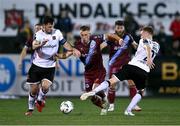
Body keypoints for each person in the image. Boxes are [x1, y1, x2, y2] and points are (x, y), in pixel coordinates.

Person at [80, 26, 160, 116]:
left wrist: (149, 58)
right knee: (140, 91)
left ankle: (94, 91)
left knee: (112, 81)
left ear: (147, 33)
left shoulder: (143, 40)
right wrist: (149, 59)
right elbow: (148, 48)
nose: (140, 35)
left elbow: (147, 46)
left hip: (131, 66)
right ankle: (128, 110)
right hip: (143, 71)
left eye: (142, 33)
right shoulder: (157, 45)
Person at [25, 16, 80, 116]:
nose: (51, 29)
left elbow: (65, 43)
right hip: (37, 65)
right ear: (44, 26)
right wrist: (41, 44)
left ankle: (40, 100)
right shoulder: (39, 34)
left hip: (50, 66)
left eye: (52, 26)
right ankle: (30, 109)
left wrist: (73, 49)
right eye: (49, 27)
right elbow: (33, 46)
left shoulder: (57, 33)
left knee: (45, 87)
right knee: (33, 90)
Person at [75, 25, 123, 115]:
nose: (84, 37)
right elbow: (72, 52)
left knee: (95, 88)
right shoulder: (77, 44)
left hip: (99, 71)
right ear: (80, 35)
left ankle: (104, 97)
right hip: (88, 73)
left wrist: (119, 39)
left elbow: (109, 35)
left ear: (89, 34)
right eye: (82, 35)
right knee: (92, 97)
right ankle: (103, 106)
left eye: (86, 34)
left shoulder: (96, 39)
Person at [100, 20, 140, 112]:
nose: (119, 29)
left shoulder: (128, 36)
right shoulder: (111, 37)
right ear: (115, 28)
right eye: (118, 27)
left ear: (124, 28)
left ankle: (134, 104)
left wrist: (141, 47)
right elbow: (102, 45)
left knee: (131, 83)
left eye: (121, 27)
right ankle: (111, 105)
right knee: (112, 85)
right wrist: (96, 49)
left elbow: (135, 45)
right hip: (115, 64)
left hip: (126, 64)